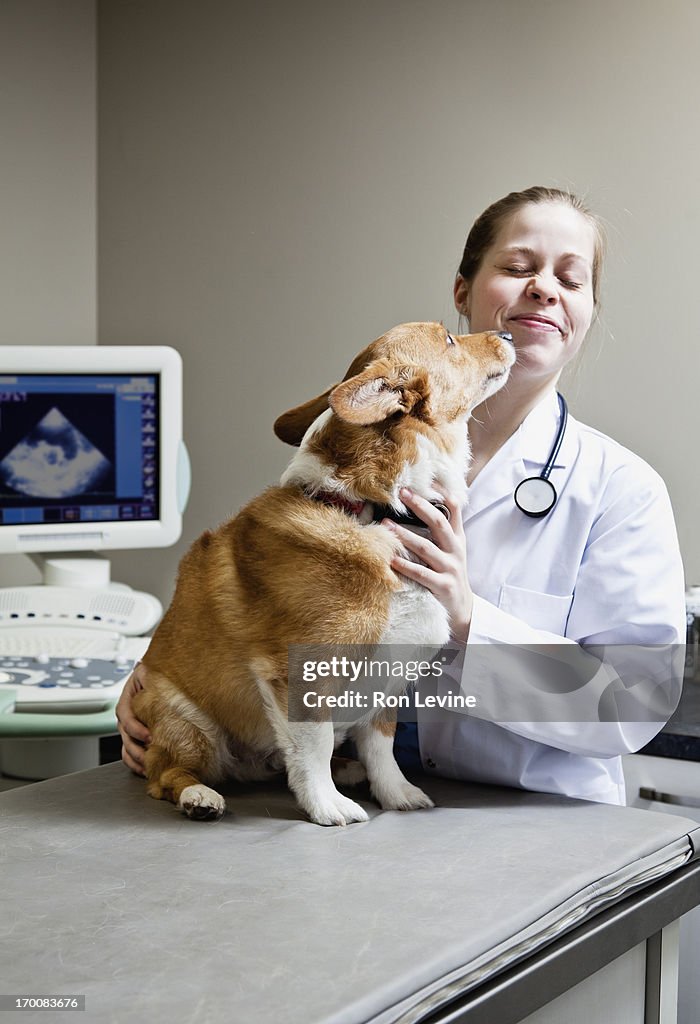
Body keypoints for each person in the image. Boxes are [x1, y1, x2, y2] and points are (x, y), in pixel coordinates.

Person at [116, 185, 685, 805]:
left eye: (571, 281)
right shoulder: (351, 467)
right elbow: (265, 626)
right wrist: (165, 685)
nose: (545, 288)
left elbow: (633, 708)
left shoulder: (619, 489)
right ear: (464, 291)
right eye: (518, 267)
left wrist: (470, 620)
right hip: (333, 803)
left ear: (588, 313)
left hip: (530, 815)